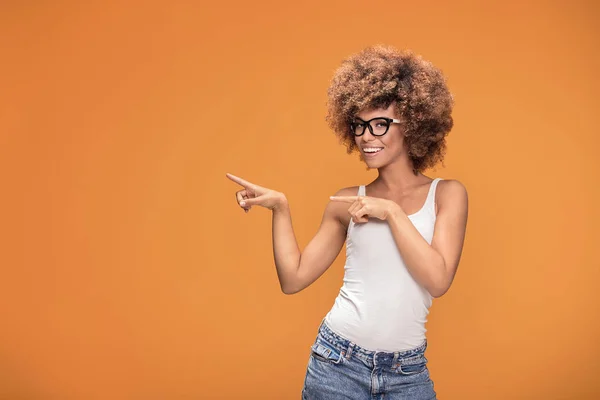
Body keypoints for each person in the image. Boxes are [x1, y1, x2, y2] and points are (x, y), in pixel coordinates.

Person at [226, 45, 468, 400]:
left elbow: (438, 279)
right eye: (359, 126)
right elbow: (292, 279)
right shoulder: (345, 202)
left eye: (380, 124)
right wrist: (280, 207)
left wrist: (391, 212)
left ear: (413, 125)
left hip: (408, 373)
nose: (366, 136)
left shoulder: (447, 194)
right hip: (336, 363)